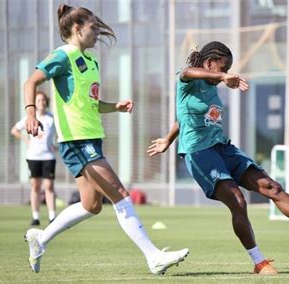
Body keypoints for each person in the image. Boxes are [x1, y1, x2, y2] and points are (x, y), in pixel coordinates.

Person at [147, 41, 289, 275]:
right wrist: (221, 77)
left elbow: (182, 118)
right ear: (209, 62)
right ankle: (259, 262)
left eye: (228, 68)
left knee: (272, 187)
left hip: (223, 148)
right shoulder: (189, 80)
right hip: (199, 154)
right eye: (223, 67)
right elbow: (186, 72)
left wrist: (168, 138)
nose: (227, 72)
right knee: (238, 201)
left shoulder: (213, 87)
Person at [23, 4, 188, 275]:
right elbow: (30, 82)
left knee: (92, 205)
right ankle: (153, 256)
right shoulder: (62, 55)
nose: (97, 32)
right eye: (93, 27)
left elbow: (90, 103)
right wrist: (31, 113)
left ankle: (40, 239)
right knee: (121, 195)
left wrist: (115, 107)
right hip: (77, 141)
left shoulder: (90, 62)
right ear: (77, 29)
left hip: (91, 139)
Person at [11, 91, 57, 226]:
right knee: (35, 186)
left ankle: (52, 216)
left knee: (49, 186)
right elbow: (14, 130)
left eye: (43, 100)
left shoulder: (52, 118)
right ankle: (35, 216)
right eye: (38, 100)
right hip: (33, 156)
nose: (41, 102)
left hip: (48, 156)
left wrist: (56, 145)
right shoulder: (30, 118)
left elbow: (60, 133)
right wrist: (27, 140)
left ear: (46, 102)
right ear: (34, 103)